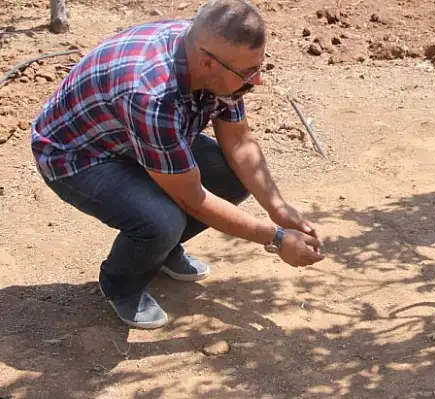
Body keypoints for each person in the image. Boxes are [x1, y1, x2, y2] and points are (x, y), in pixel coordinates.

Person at [29, 0, 325, 329]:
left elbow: (239, 142)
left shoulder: (217, 55)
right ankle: (120, 283)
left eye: (258, 68)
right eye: (246, 73)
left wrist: (278, 208)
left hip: (136, 136)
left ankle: (161, 252)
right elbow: (192, 198)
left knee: (232, 176)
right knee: (162, 220)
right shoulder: (151, 94)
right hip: (78, 154)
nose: (256, 81)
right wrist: (278, 238)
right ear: (207, 63)